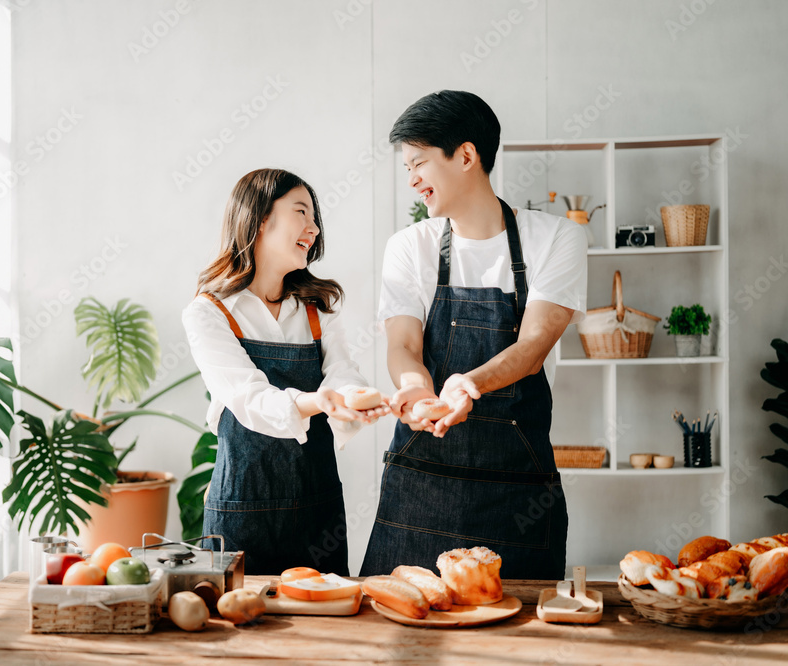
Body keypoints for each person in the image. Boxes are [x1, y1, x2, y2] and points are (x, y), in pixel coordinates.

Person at [360, 91, 587, 579]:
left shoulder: (557, 239)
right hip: (419, 486)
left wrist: (467, 385)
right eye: (407, 168)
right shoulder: (408, 247)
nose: (412, 179)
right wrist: (418, 392)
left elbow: (530, 350)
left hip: (515, 494)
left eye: (418, 163)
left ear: (466, 156)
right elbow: (402, 345)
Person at [183, 168, 388, 576]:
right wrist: (318, 401)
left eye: (314, 219)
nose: (313, 229)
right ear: (259, 220)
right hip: (240, 510)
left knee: (325, 623)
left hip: (318, 509)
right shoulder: (210, 312)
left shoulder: (316, 308)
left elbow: (343, 372)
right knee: (237, 626)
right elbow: (248, 397)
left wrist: (347, 400)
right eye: (301, 212)